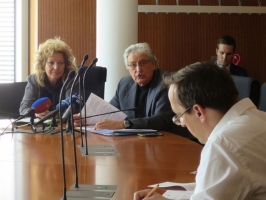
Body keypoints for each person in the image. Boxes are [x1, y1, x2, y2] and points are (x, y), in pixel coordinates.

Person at [134, 62, 266, 200]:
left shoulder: (223, 145)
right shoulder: (260, 118)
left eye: (180, 116)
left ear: (198, 112)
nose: (182, 124)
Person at [74, 42, 194, 139]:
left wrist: (123, 124)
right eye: (133, 65)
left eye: (143, 63)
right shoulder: (124, 84)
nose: (138, 69)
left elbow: (160, 120)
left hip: (166, 142)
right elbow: (110, 111)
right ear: (128, 68)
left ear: (153, 64)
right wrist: (88, 116)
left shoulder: (166, 83)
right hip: (134, 143)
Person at [19, 37, 78, 119]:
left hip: (63, 129)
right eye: (51, 63)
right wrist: (35, 114)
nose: (56, 67)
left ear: (66, 65)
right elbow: (24, 109)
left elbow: (72, 108)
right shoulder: (34, 80)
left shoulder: (71, 80)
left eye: (61, 63)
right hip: (38, 128)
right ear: (43, 65)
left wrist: (52, 115)